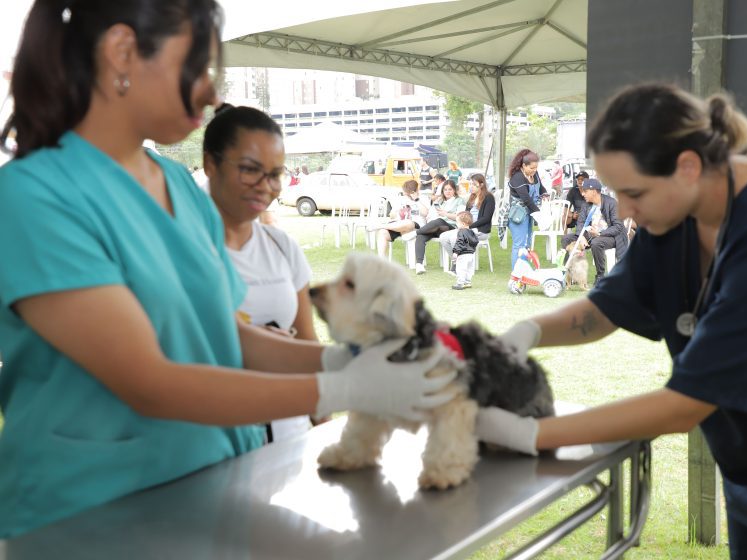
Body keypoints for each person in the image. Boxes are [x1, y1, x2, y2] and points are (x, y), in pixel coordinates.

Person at [0, 0, 452, 538]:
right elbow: (150, 383)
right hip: (92, 519)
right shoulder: (34, 198)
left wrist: (350, 358)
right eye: (197, 67)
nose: (212, 93)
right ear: (122, 51)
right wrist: (348, 388)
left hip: (216, 487)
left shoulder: (180, 188)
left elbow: (226, 336)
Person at [478, 83, 747, 559]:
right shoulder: (679, 210)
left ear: (688, 166)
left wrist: (532, 434)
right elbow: (605, 309)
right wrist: (524, 334)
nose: (624, 210)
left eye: (633, 193)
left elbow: (685, 406)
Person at [203, 104, 319, 442]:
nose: (265, 186)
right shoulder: (187, 250)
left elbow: (306, 340)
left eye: (275, 174)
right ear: (210, 164)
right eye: (250, 170)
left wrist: (322, 422)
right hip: (219, 442)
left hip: (291, 438)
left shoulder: (281, 245)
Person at [560, 178, 628, 285]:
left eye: (585, 191)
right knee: (566, 238)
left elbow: (618, 226)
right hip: (590, 234)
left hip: (611, 236)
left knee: (597, 242)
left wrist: (600, 234)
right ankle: (571, 274)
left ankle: (600, 275)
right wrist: (581, 236)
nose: (582, 194)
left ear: (594, 191)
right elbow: (580, 222)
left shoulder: (611, 203)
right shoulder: (586, 204)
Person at [439, 173, 495, 270]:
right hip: (467, 228)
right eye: (470, 184)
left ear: (481, 185)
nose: (471, 186)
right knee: (443, 237)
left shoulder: (488, 197)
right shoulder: (472, 197)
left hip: (480, 230)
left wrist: (469, 226)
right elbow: (466, 214)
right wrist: (461, 222)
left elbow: (486, 218)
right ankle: (457, 261)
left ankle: (459, 266)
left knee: (454, 237)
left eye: (474, 184)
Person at [505, 148, 548, 269]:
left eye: (536, 168)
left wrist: (545, 194)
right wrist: (539, 214)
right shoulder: (517, 177)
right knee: (519, 245)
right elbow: (526, 198)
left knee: (527, 244)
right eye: (531, 168)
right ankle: (516, 274)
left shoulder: (535, 174)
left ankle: (524, 270)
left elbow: (541, 188)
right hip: (518, 214)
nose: (534, 170)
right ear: (524, 165)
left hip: (530, 213)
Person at [414, 179, 465, 274]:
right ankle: (419, 265)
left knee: (439, 221)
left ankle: (415, 232)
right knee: (421, 236)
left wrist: (446, 214)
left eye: (450, 189)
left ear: (454, 190)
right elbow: (430, 214)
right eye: (445, 189)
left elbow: (460, 217)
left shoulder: (460, 200)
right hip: (437, 228)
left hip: (451, 228)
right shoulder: (441, 201)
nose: (447, 192)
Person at [374, 179, 428, 258]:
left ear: (414, 191)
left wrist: (416, 200)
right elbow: (392, 215)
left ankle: (380, 226)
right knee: (382, 232)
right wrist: (396, 212)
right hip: (398, 226)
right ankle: (382, 261)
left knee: (408, 222)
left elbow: (425, 213)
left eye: (406, 192)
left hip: (415, 227)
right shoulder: (401, 199)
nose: (405, 194)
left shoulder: (422, 199)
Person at [450, 211, 478, 290]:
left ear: (463, 223)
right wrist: (472, 249)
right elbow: (476, 241)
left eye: (457, 222)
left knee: (461, 268)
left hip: (463, 254)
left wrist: (456, 252)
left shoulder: (461, 232)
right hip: (471, 254)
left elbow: (460, 242)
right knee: (469, 269)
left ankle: (460, 283)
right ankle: (467, 282)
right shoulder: (472, 232)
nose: (456, 224)